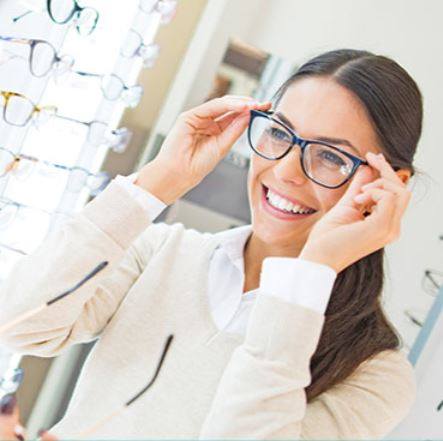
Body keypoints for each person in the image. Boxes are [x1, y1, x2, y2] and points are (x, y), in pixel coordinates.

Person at [0, 48, 422, 440]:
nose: (285, 171)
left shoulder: (376, 376)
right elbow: (20, 323)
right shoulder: (162, 252)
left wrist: (308, 277)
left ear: (390, 185)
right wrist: (158, 181)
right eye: (279, 134)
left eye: (330, 156)